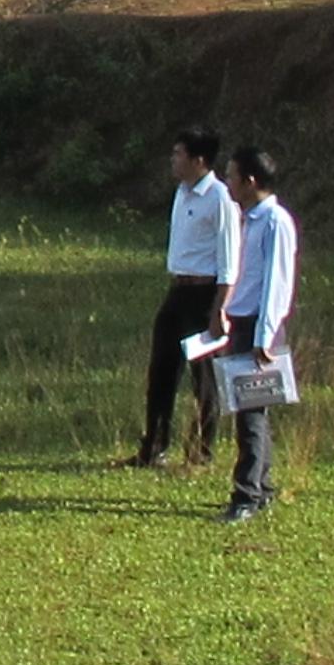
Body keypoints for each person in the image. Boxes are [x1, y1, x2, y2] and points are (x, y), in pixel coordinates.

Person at [134, 127, 235, 468]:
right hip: (178, 290)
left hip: (204, 294)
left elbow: (228, 259)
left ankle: (200, 453)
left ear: (199, 160)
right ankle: (154, 447)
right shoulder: (182, 192)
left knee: (203, 376)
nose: (173, 161)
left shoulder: (219, 198)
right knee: (161, 368)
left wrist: (219, 307)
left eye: (179, 154)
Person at [218, 144, 300, 524]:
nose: (228, 184)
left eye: (232, 177)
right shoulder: (247, 219)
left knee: (251, 415)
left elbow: (276, 284)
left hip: (257, 326)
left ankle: (246, 495)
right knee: (249, 411)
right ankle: (262, 487)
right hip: (242, 321)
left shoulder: (275, 222)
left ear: (251, 182)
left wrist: (263, 338)